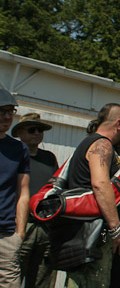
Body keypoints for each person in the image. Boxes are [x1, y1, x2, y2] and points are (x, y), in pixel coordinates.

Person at [62, 103, 120, 288]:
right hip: (93, 238)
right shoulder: (102, 145)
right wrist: (116, 229)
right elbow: (100, 185)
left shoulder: (89, 142)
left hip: (83, 235)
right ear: (118, 124)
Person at [13, 113, 58, 288]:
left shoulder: (49, 158)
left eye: (40, 130)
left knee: (43, 280)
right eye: (32, 129)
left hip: (46, 228)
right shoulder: (12, 156)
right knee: (12, 278)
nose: (37, 133)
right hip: (20, 226)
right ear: (20, 133)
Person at [0, 89, 30, 288]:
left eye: (11, 111)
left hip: (7, 235)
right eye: (2, 111)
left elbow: (23, 192)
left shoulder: (19, 149)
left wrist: (20, 233)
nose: (7, 117)